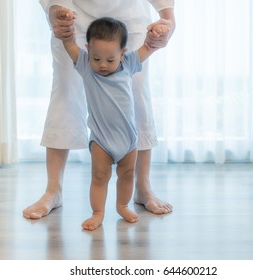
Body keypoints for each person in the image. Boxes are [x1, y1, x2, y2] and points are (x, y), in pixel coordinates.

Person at [23, 1, 176, 220]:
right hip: (73, 11)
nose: (103, 63)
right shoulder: (82, 53)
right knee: (65, 91)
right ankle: (53, 190)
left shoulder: (129, 57)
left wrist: (167, 17)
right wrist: (54, 8)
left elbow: (150, 45)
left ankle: (142, 187)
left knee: (138, 94)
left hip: (128, 11)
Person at [60, 17, 169, 230]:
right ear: (88, 50)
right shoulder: (85, 66)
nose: (102, 64)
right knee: (99, 177)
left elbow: (148, 47)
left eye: (110, 60)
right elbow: (69, 44)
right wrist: (67, 28)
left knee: (127, 175)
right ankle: (98, 212)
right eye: (96, 58)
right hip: (101, 140)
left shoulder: (128, 64)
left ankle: (122, 205)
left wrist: (157, 31)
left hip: (129, 140)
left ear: (122, 53)